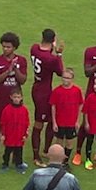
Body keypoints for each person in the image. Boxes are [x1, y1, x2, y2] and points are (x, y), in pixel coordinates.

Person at [0, 31, 28, 167]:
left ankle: (16, 158)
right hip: (0, 100)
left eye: (8, 47)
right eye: (4, 46)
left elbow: (22, 80)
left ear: (14, 47)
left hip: (16, 103)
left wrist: (15, 68)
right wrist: (7, 70)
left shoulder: (21, 61)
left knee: (17, 128)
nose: (5, 49)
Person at [29, 29, 64, 164]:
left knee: (50, 120)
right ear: (53, 40)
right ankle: (36, 155)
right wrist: (59, 53)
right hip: (43, 93)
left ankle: (45, 150)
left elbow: (43, 51)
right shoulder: (51, 59)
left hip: (37, 87)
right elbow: (60, 72)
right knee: (39, 123)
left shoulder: (34, 48)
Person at [49, 68, 84, 167]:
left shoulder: (77, 91)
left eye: (68, 78)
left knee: (69, 143)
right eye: (64, 77)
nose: (65, 80)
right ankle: (58, 162)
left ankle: (65, 162)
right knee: (59, 143)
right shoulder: (57, 91)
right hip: (60, 122)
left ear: (72, 79)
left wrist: (77, 121)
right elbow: (53, 106)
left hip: (71, 122)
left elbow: (80, 105)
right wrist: (54, 122)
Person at [0, 89, 31, 172]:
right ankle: (5, 164)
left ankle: (19, 164)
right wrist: (3, 134)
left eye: (18, 97)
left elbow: (26, 123)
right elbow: (3, 123)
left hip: (19, 135)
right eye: (15, 97)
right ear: (11, 97)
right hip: (10, 135)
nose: (16, 99)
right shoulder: (7, 109)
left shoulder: (24, 110)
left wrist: (25, 135)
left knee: (19, 151)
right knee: (7, 151)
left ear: (21, 98)